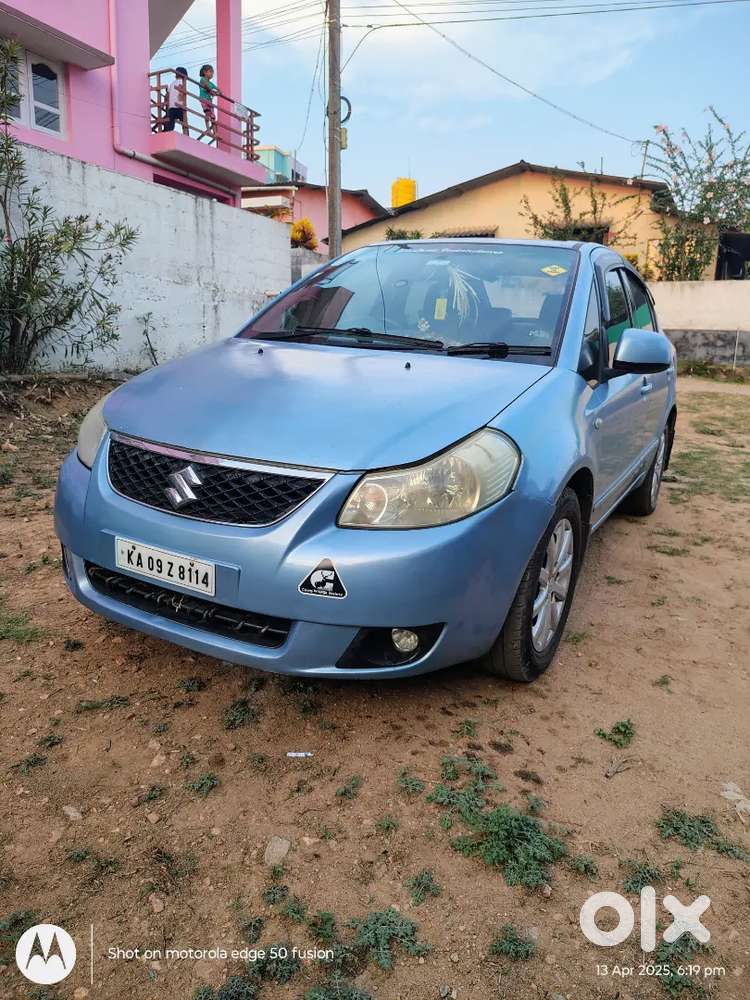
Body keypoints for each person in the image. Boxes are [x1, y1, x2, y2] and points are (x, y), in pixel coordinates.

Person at [199, 64, 219, 140]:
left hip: (209, 100)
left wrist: (217, 92)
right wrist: (212, 91)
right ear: (204, 72)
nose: (212, 74)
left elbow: (219, 90)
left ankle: (215, 132)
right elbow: (206, 86)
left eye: (212, 72)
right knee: (207, 113)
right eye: (210, 72)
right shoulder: (202, 79)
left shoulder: (211, 83)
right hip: (204, 99)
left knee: (213, 116)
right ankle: (208, 129)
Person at [164, 66, 188, 133]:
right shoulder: (183, 82)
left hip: (171, 106)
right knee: (184, 121)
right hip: (180, 105)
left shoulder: (172, 83)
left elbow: (167, 95)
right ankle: (186, 134)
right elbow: (182, 93)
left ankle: (168, 134)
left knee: (171, 123)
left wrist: (165, 103)